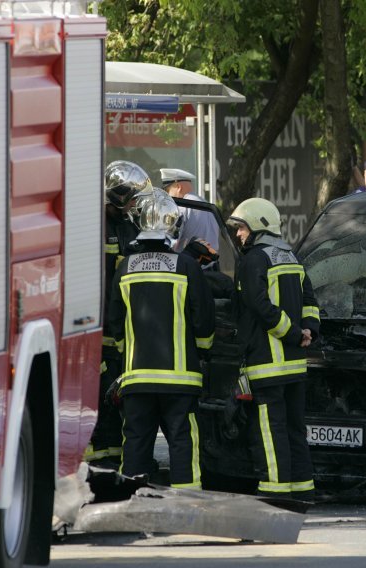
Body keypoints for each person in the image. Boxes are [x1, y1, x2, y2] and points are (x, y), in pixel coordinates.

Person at [108, 187, 215, 489]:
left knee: (137, 442)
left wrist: (125, 353)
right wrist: (203, 351)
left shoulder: (125, 268)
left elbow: (115, 322)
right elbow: (204, 320)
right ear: (172, 226)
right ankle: (185, 503)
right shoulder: (187, 267)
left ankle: (131, 501)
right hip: (180, 379)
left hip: (137, 378)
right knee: (182, 441)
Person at [227, 197, 320, 500]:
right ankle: (303, 492)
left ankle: (276, 496)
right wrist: (308, 331)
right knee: (295, 430)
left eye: (241, 228)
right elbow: (310, 301)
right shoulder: (290, 256)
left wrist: (293, 333)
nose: (238, 234)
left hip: (267, 366)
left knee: (270, 432)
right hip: (295, 366)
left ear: (258, 226)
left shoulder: (254, 259)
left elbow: (259, 306)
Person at [84, 160, 145, 473]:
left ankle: (114, 456)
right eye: (131, 196)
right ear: (118, 195)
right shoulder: (94, 226)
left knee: (116, 396)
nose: (134, 203)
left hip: (123, 332)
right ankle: (93, 461)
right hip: (99, 330)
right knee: (97, 394)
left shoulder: (127, 226)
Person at [162, 167, 220, 252]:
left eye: (167, 191)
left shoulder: (181, 207)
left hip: (188, 263)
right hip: (211, 263)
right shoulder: (207, 205)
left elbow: (169, 243)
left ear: (178, 187)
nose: (167, 196)